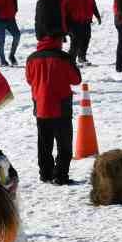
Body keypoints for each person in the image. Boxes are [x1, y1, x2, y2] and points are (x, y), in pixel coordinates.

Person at [24, 32, 80, 185]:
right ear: (57, 40)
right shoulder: (63, 57)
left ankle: (45, 174)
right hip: (61, 107)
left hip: (40, 106)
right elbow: (76, 79)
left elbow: (29, 80)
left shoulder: (31, 58)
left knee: (44, 143)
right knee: (64, 145)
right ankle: (60, 176)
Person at [61, 0, 100, 64]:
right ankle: (70, 61)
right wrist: (63, 24)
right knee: (75, 41)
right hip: (72, 21)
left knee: (86, 38)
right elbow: (62, 7)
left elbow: (92, 3)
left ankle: (82, 57)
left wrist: (97, 15)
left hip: (86, 19)